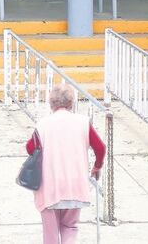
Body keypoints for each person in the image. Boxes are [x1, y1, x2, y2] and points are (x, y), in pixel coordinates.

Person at [25, 84, 106, 244]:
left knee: (51, 234)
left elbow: (30, 148)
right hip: (75, 185)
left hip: (50, 187)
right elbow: (100, 148)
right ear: (71, 103)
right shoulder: (83, 122)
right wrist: (97, 166)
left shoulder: (43, 124)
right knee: (70, 227)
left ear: (51, 104)